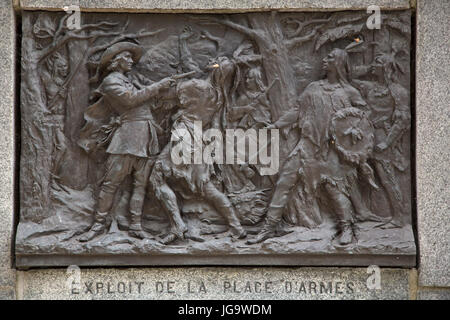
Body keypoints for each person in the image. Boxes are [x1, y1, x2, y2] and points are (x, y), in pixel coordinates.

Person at [248, 48, 371, 245]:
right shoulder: (313, 88)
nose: (325, 59)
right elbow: (298, 110)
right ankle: (269, 227)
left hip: (331, 150)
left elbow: (363, 116)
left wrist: (353, 131)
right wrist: (276, 125)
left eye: (330, 57)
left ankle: (347, 227)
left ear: (338, 63)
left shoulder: (348, 92)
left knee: (335, 190)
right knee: (284, 182)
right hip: (306, 145)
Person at [78, 42, 175, 242]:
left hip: (146, 136)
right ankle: (98, 225)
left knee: (140, 185)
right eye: (127, 57)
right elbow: (130, 100)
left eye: (132, 58)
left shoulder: (128, 80)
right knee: (111, 184)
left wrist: (163, 91)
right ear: (115, 61)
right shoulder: (111, 81)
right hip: (127, 138)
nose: (132, 61)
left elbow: (147, 101)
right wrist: (157, 86)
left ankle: (136, 226)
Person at [353, 52, 410, 228]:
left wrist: (387, 142)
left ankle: (399, 216)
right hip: (365, 136)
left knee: (387, 178)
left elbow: (403, 120)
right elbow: (346, 76)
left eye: (377, 62)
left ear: (386, 67)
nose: (373, 65)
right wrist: (364, 70)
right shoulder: (369, 87)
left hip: (384, 137)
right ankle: (362, 212)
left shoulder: (398, 91)